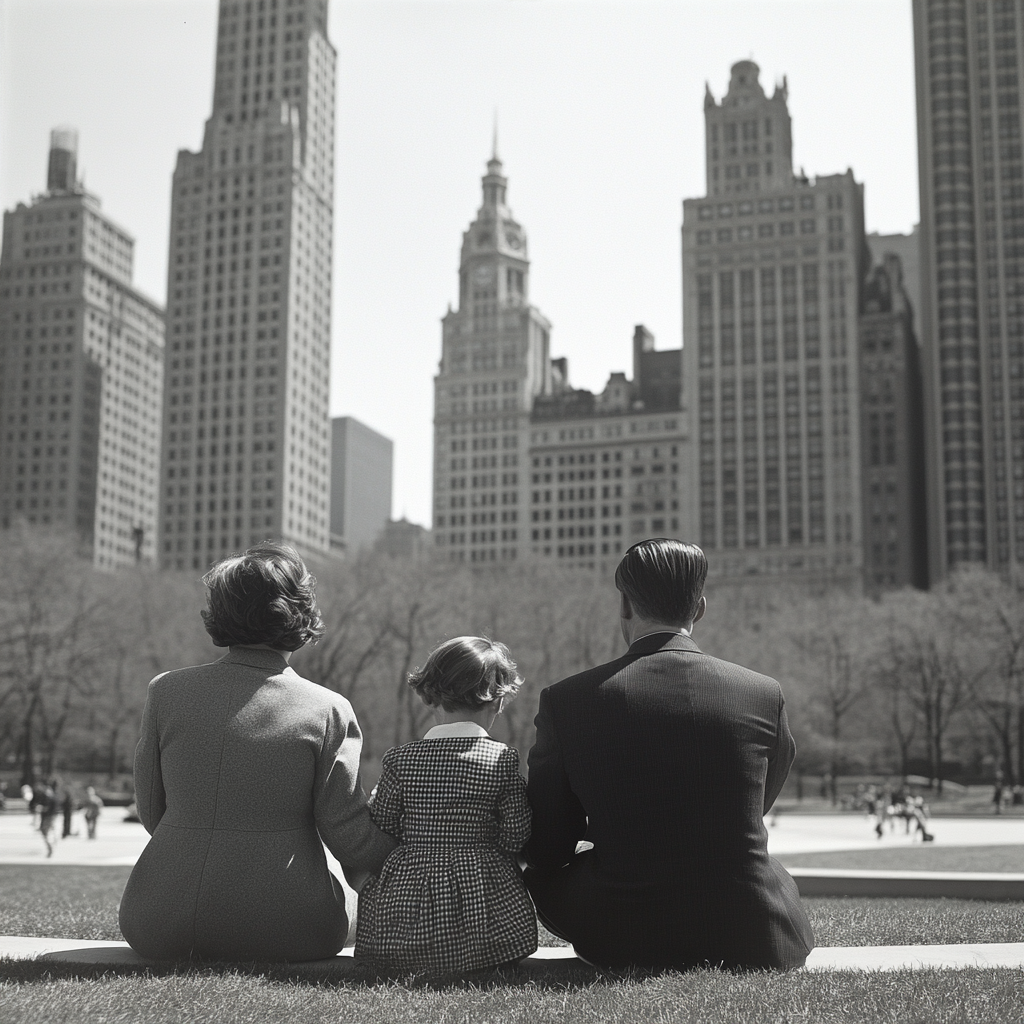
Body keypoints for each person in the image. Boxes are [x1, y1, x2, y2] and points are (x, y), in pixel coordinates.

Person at [524, 539, 814, 971]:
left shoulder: (567, 701)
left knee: (543, 873)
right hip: (751, 929)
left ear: (625, 606)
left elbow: (549, 844)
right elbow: (754, 804)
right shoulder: (762, 693)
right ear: (699, 608)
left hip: (623, 933)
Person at [119, 543, 397, 962]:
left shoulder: (166, 691)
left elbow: (152, 811)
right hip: (290, 925)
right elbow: (347, 832)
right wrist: (412, 853)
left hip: (158, 920)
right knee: (347, 900)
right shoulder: (327, 708)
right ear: (300, 612)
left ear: (218, 613)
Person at [355, 636, 537, 973]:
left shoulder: (401, 759)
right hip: (481, 889)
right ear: (497, 702)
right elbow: (517, 831)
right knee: (489, 941)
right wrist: (490, 855)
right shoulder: (501, 759)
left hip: (411, 886)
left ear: (430, 697)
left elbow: (383, 822)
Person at [38, 780, 59, 858]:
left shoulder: (49, 797)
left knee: (44, 832)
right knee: (49, 831)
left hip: (48, 817)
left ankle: (50, 846)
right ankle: (53, 842)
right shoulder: (52, 797)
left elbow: (47, 808)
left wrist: (41, 808)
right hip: (50, 817)